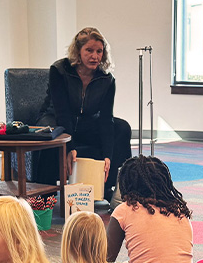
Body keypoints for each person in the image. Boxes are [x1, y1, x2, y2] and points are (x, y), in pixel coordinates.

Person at [35, 27, 132, 201]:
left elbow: (106, 118)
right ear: (78, 52)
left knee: (122, 128)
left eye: (99, 51)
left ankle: (110, 188)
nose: (95, 56)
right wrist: (69, 147)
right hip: (56, 119)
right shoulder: (59, 70)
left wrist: (108, 156)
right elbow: (62, 111)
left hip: (87, 123)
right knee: (50, 133)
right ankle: (44, 196)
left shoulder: (107, 79)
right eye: (89, 50)